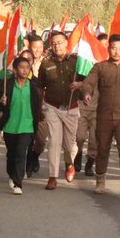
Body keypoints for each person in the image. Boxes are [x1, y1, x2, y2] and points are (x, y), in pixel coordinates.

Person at [82, 35, 120, 196]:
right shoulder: (100, 67)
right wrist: (87, 93)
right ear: (108, 49)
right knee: (102, 149)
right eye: (113, 47)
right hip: (104, 116)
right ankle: (100, 181)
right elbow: (89, 82)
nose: (116, 51)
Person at [37, 30, 83, 189]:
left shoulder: (77, 61)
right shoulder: (46, 64)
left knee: (70, 145)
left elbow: (90, 79)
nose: (57, 46)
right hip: (52, 107)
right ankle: (52, 176)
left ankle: (70, 163)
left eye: (60, 42)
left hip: (72, 107)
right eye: (54, 43)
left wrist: (80, 85)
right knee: (54, 142)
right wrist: (40, 106)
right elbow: (39, 86)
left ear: (66, 43)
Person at [0, 56, 42, 195]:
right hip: (10, 125)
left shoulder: (34, 87)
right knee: (11, 154)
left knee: (20, 153)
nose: (24, 70)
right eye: (21, 67)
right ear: (15, 69)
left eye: (27, 68)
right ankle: (11, 174)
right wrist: (2, 102)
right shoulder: (7, 85)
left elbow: (37, 107)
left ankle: (18, 183)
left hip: (27, 126)